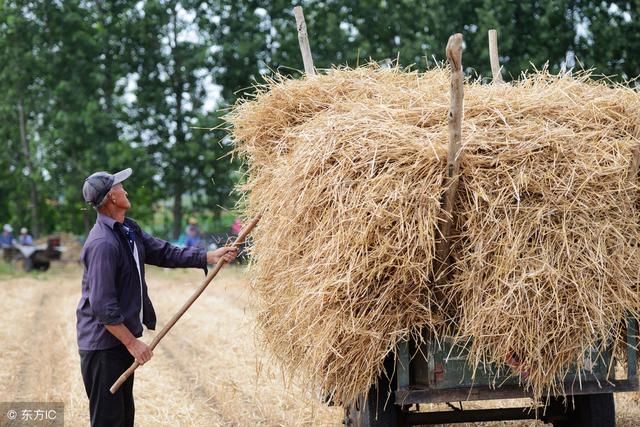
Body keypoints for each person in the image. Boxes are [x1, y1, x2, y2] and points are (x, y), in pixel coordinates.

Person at [76, 168, 236, 427]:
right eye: (120, 187)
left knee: (124, 419)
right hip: (103, 347)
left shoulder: (127, 230)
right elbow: (103, 307)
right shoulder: (103, 244)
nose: (125, 189)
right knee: (108, 421)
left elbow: (164, 252)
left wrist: (208, 256)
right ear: (111, 198)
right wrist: (132, 344)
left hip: (117, 343)